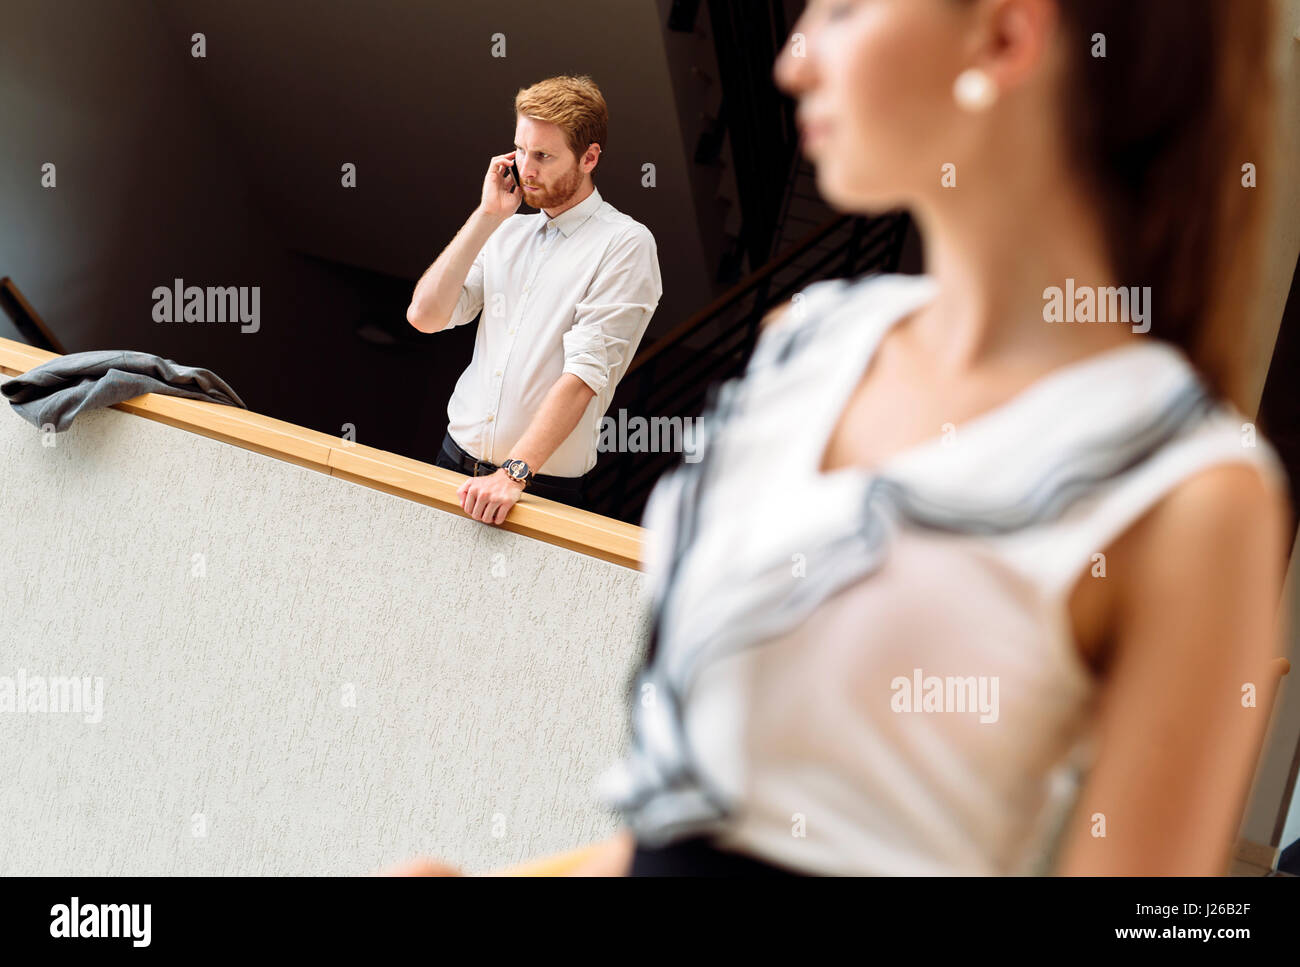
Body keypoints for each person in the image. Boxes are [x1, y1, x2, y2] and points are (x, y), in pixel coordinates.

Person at [391, 0, 1290, 876]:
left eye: (846, 9)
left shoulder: (1188, 496)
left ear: (1008, 34)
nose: (792, 59)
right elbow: (686, 828)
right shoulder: (806, 345)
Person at [408, 74, 663, 519]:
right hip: (453, 464)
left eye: (543, 155)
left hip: (535, 488)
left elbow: (584, 375)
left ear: (589, 158)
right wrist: (486, 217)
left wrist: (513, 474)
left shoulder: (625, 243)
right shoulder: (506, 228)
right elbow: (425, 316)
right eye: (520, 149)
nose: (526, 169)